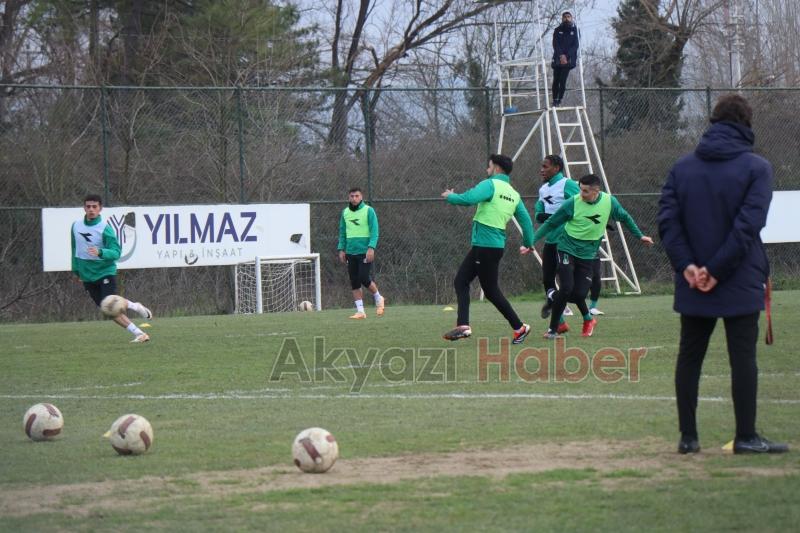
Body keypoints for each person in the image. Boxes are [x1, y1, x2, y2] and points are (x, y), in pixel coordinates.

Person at [657, 94, 788, 455]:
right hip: (739, 276)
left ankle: (688, 438)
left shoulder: (681, 168)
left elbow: (668, 222)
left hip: (692, 279)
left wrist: (688, 266)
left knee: (690, 356)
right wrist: (716, 270)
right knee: (743, 358)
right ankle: (746, 436)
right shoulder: (757, 168)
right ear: (747, 124)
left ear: (713, 122)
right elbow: (748, 226)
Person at [524, 174, 653, 338]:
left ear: (596, 191)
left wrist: (640, 236)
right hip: (566, 249)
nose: (581, 194)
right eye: (580, 190)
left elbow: (625, 218)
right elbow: (551, 223)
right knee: (566, 287)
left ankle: (553, 296)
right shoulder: (573, 203)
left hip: (588, 255)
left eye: (585, 191)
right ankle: (553, 330)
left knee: (578, 295)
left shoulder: (609, 202)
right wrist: (531, 242)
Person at [441, 154, 533, 343]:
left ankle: (519, 327)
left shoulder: (490, 185)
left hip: (485, 245)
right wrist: (528, 242)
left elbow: (469, 198)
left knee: (489, 290)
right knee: (461, 281)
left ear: (497, 168)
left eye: (489, 166)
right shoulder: (514, 194)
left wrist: (451, 197)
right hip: (491, 246)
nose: (487, 169)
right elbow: (526, 221)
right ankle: (464, 325)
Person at [71, 194, 152, 343]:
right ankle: (139, 328)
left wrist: (101, 252)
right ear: (84, 208)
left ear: (100, 208)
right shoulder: (76, 226)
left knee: (110, 304)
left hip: (105, 272)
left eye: (94, 206)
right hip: (87, 276)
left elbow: (116, 252)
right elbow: (75, 250)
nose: (91, 209)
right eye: (88, 206)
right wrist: (77, 271)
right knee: (107, 310)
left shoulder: (105, 229)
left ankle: (138, 326)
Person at [533, 154, 580, 333]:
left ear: (557, 168)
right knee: (547, 280)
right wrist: (548, 216)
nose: (541, 170)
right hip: (550, 239)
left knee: (569, 284)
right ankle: (559, 319)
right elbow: (539, 214)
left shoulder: (568, 185)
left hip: (566, 241)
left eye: (545, 167)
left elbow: (580, 207)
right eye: (542, 166)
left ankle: (586, 316)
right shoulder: (543, 189)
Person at [338, 187, 385, 319]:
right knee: (354, 281)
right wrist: (341, 249)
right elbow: (342, 232)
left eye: (357, 196)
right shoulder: (345, 212)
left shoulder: (368, 210)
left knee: (364, 278)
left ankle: (379, 298)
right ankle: (360, 311)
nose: (354, 198)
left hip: (364, 251)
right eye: (352, 196)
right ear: (349, 197)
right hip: (350, 251)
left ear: (361, 197)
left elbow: (374, 231)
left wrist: (371, 248)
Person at [551, 11, 579, 107]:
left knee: (562, 80)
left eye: (568, 17)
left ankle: (559, 99)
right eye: (565, 17)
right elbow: (555, 44)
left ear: (571, 18)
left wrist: (566, 56)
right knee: (556, 80)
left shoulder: (575, 30)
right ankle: (554, 99)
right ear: (562, 18)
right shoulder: (557, 30)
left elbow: (575, 45)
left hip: (569, 60)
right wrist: (561, 55)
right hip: (558, 59)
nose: (567, 18)